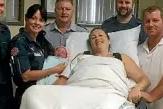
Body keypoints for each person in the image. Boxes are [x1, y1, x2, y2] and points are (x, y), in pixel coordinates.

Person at [20, 28, 150, 109]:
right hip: (74, 92)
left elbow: (144, 79)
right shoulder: (80, 57)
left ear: (109, 40)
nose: (97, 38)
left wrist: (136, 89)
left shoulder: (121, 58)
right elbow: (61, 82)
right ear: (90, 43)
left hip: (107, 94)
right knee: (32, 93)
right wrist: (51, 94)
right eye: (93, 37)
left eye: (101, 36)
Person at [10, 4, 66, 105]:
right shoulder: (19, 42)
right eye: (33, 18)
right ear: (26, 18)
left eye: (41, 20)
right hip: (28, 95)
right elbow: (25, 76)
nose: (37, 23)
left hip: (44, 93)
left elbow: (54, 56)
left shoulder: (41, 40)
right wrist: (54, 70)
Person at [138, 6, 163, 109]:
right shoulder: (138, 49)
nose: (150, 24)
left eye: (155, 20)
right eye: (147, 21)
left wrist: (151, 96)